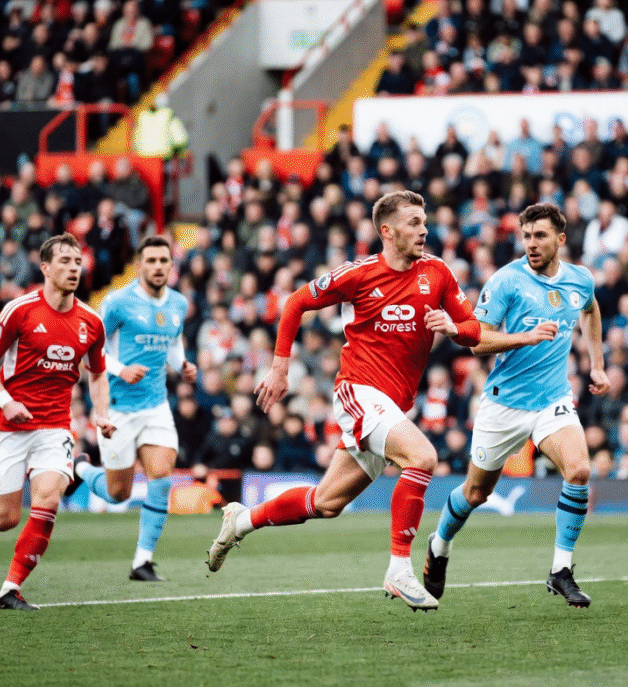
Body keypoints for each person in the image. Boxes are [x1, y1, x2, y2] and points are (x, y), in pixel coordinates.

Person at [205, 190, 482, 611]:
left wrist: (456, 328)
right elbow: (296, 302)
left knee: (326, 503)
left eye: (424, 221)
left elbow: (473, 329)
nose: (424, 229)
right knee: (422, 458)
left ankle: (240, 520)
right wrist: (279, 369)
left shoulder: (438, 274)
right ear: (386, 231)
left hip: (392, 404)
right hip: (358, 390)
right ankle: (399, 569)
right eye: (413, 222)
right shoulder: (360, 273)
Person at [423, 203, 610, 608]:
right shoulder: (506, 281)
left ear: (560, 240)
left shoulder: (580, 279)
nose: (531, 244)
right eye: (526, 236)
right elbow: (476, 339)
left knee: (578, 470)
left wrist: (597, 365)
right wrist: (526, 338)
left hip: (553, 400)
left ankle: (561, 570)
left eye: (540, 236)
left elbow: (592, 311)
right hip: (504, 404)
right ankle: (438, 546)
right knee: (476, 493)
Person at [0, 233, 115, 610]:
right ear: (45, 268)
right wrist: (5, 402)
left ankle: (10, 589)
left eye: (78, 261)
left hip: (55, 425)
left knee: (49, 498)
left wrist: (102, 413)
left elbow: (98, 373)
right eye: (65, 261)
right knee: (3, 519)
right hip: (11, 424)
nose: (74, 268)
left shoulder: (91, 321)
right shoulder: (19, 311)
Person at [69, 235, 197, 581]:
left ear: (172, 266)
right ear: (139, 265)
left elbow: (173, 340)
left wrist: (183, 364)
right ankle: (79, 469)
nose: (158, 267)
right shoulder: (117, 303)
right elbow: (90, 353)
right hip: (118, 407)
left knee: (161, 477)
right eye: (151, 260)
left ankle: (142, 561)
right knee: (117, 493)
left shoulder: (178, 304)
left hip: (156, 406)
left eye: (163, 261)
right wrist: (120, 369)